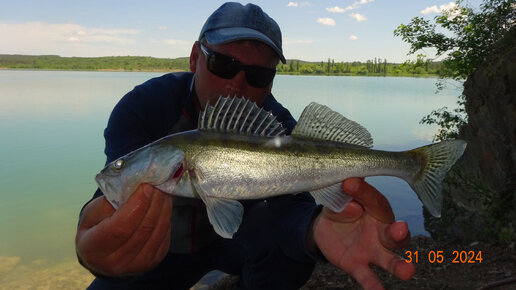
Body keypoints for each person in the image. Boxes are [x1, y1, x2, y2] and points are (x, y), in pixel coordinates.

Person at [75, 2, 415, 290]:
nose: (237, 83)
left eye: (258, 75)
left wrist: (315, 231)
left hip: (235, 244)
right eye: (224, 64)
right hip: (159, 252)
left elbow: (292, 207)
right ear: (195, 57)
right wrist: (94, 247)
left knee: (287, 255)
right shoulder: (144, 106)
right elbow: (115, 195)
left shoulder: (278, 125)